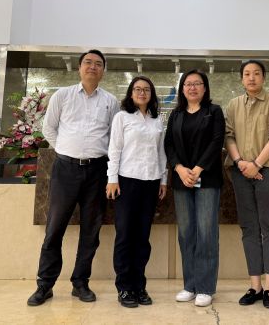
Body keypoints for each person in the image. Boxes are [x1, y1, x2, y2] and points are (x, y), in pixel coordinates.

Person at [27, 49, 119, 307]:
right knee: (54, 229)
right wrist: (66, 151)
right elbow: (48, 128)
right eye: (88, 62)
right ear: (79, 68)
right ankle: (45, 285)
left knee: (91, 230)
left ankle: (80, 283)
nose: (92, 67)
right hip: (65, 170)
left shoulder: (111, 101)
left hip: (98, 171)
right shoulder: (63, 95)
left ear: (103, 71)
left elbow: (115, 137)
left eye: (98, 64)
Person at [225, 59, 269, 309]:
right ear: (242, 78)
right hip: (241, 170)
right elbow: (228, 136)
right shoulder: (233, 105)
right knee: (249, 228)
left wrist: (257, 164)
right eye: (246, 74)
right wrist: (241, 162)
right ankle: (255, 286)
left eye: (256, 73)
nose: (251, 78)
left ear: (263, 77)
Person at [164, 69, 225, 307]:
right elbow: (169, 144)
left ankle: (206, 287)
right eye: (187, 84)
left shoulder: (214, 111)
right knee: (186, 232)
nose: (192, 87)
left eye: (197, 83)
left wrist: (198, 169)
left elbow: (217, 141)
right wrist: (179, 168)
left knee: (206, 232)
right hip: (182, 180)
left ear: (205, 88)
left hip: (207, 179)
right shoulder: (176, 114)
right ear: (182, 89)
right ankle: (190, 285)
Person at [106, 76, 168, 308]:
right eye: (137, 89)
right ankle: (124, 287)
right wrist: (112, 179)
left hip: (151, 182)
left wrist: (163, 180)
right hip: (126, 181)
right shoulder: (122, 117)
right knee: (125, 236)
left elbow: (161, 153)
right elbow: (114, 149)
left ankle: (139, 286)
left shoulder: (157, 120)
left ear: (151, 94)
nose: (142, 93)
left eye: (146, 89)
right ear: (131, 93)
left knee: (143, 238)